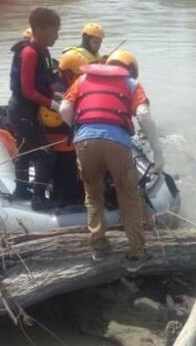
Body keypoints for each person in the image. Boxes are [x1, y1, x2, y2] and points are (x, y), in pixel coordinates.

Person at [59, 49, 164, 272]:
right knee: (129, 196)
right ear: (131, 68)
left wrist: (78, 130)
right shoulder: (132, 84)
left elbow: (64, 108)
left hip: (85, 142)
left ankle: (98, 247)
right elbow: (144, 115)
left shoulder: (82, 78)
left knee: (93, 195)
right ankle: (136, 254)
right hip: (118, 143)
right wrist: (158, 153)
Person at [8, 7, 60, 210]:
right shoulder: (29, 53)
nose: (57, 35)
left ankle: (20, 190)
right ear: (39, 30)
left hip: (28, 111)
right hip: (22, 112)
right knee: (46, 154)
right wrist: (53, 104)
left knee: (24, 151)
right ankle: (38, 198)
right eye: (54, 31)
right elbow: (28, 90)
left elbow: (44, 84)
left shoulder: (43, 52)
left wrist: (56, 96)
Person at [39, 50, 89, 206]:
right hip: (62, 146)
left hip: (69, 144)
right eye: (78, 74)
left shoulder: (67, 86)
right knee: (70, 191)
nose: (81, 78)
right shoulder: (57, 90)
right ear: (67, 73)